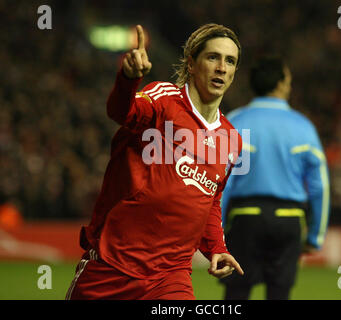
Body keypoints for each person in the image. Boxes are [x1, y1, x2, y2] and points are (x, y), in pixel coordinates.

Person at [66, 24, 244, 300]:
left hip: (170, 278)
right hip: (113, 266)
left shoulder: (231, 138)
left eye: (229, 61)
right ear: (192, 64)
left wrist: (217, 247)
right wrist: (127, 78)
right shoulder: (164, 101)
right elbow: (120, 112)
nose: (222, 67)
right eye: (213, 57)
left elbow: (210, 198)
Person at [220, 56, 330, 300]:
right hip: (289, 219)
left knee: (236, 292)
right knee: (279, 294)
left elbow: (221, 181)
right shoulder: (304, 127)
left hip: (244, 218)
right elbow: (319, 185)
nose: (290, 86)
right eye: (288, 80)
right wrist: (315, 236)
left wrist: (214, 234)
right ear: (280, 84)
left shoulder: (234, 121)